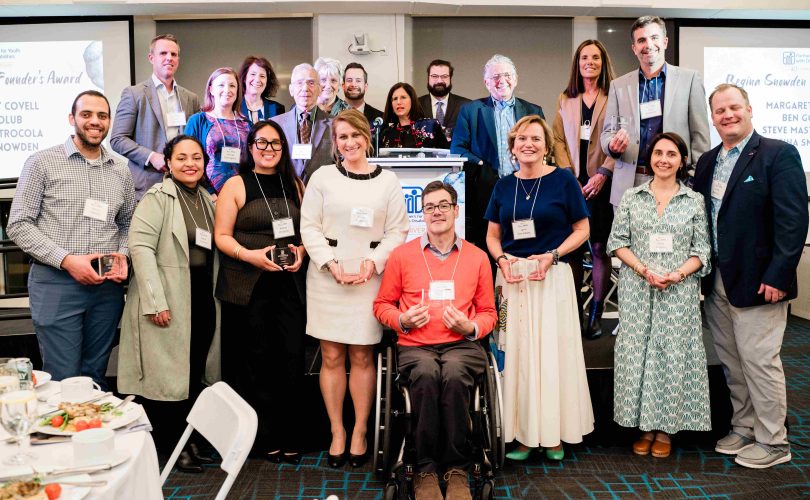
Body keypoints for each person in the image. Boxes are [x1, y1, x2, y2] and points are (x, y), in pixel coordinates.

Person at [693, 83, 809, 469]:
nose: (727, 115)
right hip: (719, 280)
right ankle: (745, 426)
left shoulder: (778, 154)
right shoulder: (708, 161)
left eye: (733, 107)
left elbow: (793, 222)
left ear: (749, 109)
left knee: (760, 360)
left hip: (761, 280)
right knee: (732, 360)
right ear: (712, 118)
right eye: (720, 110)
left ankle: (774, 440)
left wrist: (779, 274)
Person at [374, 181, 497, 500]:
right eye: (430, 207)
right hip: (416, 346)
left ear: (456, 211)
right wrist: (401, 319)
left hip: (462, 346)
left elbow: (488, 313)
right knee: (427, 376)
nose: (437, 212)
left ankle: (457, 469)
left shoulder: (478, 257)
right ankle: (425, 469)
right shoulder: (402, 256)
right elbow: (381, 305)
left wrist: (470, 326)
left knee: (454, 374)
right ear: (422, 213)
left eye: (444, 205)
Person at [300, 109, 409, 468]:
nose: (349, 143)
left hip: (369, 278)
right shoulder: (322, 177)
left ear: (367, 136)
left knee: (363, 357)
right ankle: (337, 432)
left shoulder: (388, 181)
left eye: (355, 135)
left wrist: (373, 262)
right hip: (327, 277)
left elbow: (397, 231)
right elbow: (309, 228)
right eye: (342, 137)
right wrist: (330, 264)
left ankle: (360, 431)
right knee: (331, 357)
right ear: (336, 142)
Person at [7, 91, 134, 390]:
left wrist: (123, 255)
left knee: (95, 377)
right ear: (72, 118)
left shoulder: (121, 170)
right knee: (63, 377)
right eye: (86, 114)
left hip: (106, 288)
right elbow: (18, 224)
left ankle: (95, 436)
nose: (95, 121)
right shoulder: (41, 162)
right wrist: (67, 260)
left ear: (109, 122)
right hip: (56, 283)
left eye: (102, 116)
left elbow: (128, 222)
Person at [484, 115, 593, 461]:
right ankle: (523, 435)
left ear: (547, 146)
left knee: (551, 354)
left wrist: (552, 254)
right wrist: (501, 261)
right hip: (511, 278)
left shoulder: (563, 180)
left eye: (535, 139)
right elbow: (491, 236)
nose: (527, 145)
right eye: (521, 139)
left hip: (551, 276)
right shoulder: (503, 185)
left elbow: (583, 229)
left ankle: (554, 434)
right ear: (512, 147)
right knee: (514, 356)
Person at [118, 134, 220, 472]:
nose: (190, 164)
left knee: (191, 372)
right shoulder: (157, 197)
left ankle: (188, 439)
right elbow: (140, 247)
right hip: (169, 296)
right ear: (169, 162)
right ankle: (172, 445)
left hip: (200, 296)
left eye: (197, 158)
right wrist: (154, 300)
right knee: (168, 375)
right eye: (182, 158)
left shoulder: (205, 198)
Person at [607, 132, 712, 459]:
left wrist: (677, 273)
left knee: (671, 355)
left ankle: (665, 428)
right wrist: (643, 270)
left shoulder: (693, 201)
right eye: (658, 153)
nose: (663, 159)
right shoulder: (632, 196)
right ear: (650, 158)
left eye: (671, 154)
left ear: (682, 161)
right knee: (639, 355)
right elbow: (616, 242)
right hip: (638, 289)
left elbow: (702, 250)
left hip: (678, 292)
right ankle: (644, 426)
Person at [213, 119, 308, 464]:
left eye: (275, 144)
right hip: (248, 286)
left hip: (289, 284)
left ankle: (290, 432)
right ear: (250, 147)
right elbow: (221, 236)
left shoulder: (294, 184)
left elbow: (307, 231)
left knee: (290, 358)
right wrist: (250, 255)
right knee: (256, 363)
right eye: (262, 143)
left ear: (283, 149)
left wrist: (302, 251)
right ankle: (262, 436)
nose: (269, 149)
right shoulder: (235, 184)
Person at [600, 15, 710, 209]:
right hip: (629, 182)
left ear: (665, 42)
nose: (648, 44)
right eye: (641, 40)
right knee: (628, 240)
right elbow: (607, 134)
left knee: (669, 240)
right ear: (634, 48)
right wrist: (612, 146)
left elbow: (700, 138)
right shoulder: (618, 85)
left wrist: (692, 180)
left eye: (654, 37)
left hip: (675, 181)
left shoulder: (690, 80)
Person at [551, 39, 617, 339]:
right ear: (577, 64)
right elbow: (557, 140)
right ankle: (575, 311)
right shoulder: (566, 98)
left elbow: (622, 137)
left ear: (603, 62)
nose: (589, 62)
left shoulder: (614, 95)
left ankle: (596, 312)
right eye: (584, 58)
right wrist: (568, 175)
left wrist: (603, 173)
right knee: (574, 249)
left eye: (595, 57)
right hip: (572, 184)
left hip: (604, 183)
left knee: (601, 247)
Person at [451, 54, 544, 249]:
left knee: (524, 243)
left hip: (524, 187)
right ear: (486, 82)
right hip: (485, 191)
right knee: (487, 246)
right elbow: (457, 149)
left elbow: (544, 147)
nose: (502, 81)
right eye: (495, 77)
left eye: (507, 75)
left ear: (516, 79)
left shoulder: (533, 111)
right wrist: (482, 165)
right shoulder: (470, 111)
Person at [111, 34, 200, 200]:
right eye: (163, 53)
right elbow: (117, 139)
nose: (169, 58)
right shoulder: (134, 94)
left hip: (184, 184)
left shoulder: (191, 98)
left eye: (174, 54)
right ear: (151, 58)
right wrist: (151, 157)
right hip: (147, 185)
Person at [184, 67, 250, 194]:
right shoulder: (198, 121)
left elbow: (253, 163)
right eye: (221, 85)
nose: (227, 90)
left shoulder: (247, 124)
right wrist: (210, 194)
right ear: (211, 89)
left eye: (232, 85)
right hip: (206, 195)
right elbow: (189, 160)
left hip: (242, 194)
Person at [272, 63, 333, 182]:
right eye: (299, 83)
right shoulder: (275, 124)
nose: (305, 88)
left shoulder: (334, 124)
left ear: (320, 89)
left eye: (311, 83)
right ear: (291, 89)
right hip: (286, 193)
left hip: (323, 193)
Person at [379, 82, 449, 149]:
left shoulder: (431, 126)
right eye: (395, 99)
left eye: (403, 97)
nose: (399, 102)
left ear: (412, 100)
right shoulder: (386, 133)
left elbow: (446, 155)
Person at [418, 59, 471, 141]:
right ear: (428, 78)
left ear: (450, 78)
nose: (439, 81)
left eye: (444, 76)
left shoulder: (466, 106)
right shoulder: (416, 104)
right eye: (434, 76)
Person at [238, 55, 285, 125]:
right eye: (253, 74)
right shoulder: (234, 107)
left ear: (267, 81)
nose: (257, 80)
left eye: (262, 76)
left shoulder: (277, 109)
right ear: (245, 78)